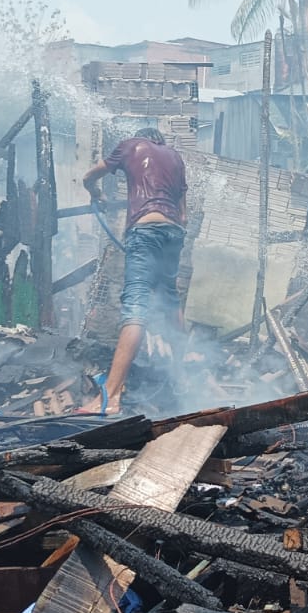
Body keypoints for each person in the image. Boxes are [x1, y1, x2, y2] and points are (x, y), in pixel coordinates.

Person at [78, 127, 188, 416]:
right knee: (170, 299)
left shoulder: (130, 146)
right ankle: (184, 377)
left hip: (145, 229)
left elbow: (89, 176)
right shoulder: (175, 158)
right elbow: (184, 214)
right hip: (174, 232)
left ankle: (111, 396)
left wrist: (96, 193)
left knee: (136, 305)